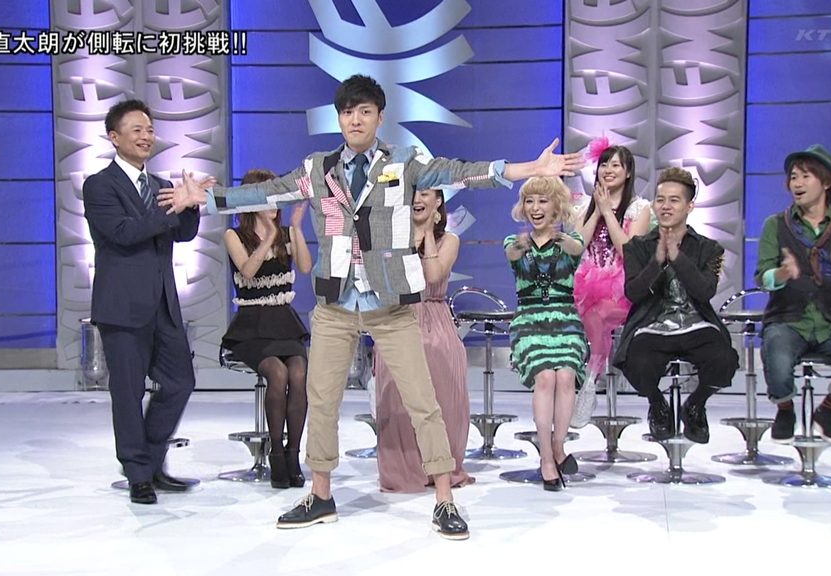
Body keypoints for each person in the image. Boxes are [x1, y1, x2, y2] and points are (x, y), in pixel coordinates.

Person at [159, 74, 585, 539]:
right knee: (322, 401)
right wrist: (207, 199)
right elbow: (268, 191)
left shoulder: (404, 162)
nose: (355, 120)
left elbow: (462, 172)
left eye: (364, 111)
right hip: (335, 304)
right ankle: (321, 494)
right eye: (347, 112)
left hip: (389, 303)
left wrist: (528, 168)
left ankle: (444, 499)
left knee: (423, 402)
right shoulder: (318, 167)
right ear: (338, 119)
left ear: (380, 117)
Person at [82, 99, 203, 504]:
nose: (146, 136)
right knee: (128, 392)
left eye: (149, 129)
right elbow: (123, 232)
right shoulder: (99, 185)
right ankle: (138, 474)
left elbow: (181, 232)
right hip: (121, 306)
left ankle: (150, 461)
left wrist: (190, 206)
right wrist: (173, 210)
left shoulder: (159, 186)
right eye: (137, 129)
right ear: (114, 137)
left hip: (163, 304)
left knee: (181, 382)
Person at [755, 144, 831, 444]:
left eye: (805, 176)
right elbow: (762, 277)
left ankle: (828, 409)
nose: (796, 183)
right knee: (776, 356)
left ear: (826, 182)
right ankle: (785, 409)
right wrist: (782, 274)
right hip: (787, 319)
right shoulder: (775, 224)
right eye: (793, 177)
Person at [612, 167, 738, 443]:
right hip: (652, 326)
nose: (665, 206)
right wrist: (657, 261)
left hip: (697, 325)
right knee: (636, 362)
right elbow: (633, 293)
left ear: (689, 206)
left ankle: (695, 404)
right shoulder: (637, 247)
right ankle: (657, 403)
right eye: (660, 199)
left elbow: (704, 292)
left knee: (724, 360)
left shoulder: (709, 248)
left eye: (674, 200)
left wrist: (677, 257)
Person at [372, 188, 473, 493]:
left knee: (442, 399)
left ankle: (441, 468)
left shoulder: (450, 240)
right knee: (398, 401)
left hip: (435, 321)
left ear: (438, 201)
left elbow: (433, 276)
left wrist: (427, 234)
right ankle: (404, 470)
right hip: (398, 318)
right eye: (412, 193)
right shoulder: (391, 238)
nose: (417, 199)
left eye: (424, 194)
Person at [221, 168, 312, 489]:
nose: (274, 203)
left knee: (299, 374)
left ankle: (293, 454)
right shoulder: (234, 236)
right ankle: (276, 454)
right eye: (267, 196)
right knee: (278, 373)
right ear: (251, 201)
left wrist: (295, 229)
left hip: (284, 323)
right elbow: (247, 271)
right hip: (252, 327)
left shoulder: (286, 233)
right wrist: (270, 237)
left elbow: (305, 267)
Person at [503, 176, 588, 490]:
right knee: (545, 377)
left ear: (556, 206)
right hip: (529, 320)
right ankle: (546, 458)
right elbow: (513, 253)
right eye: (530, 201)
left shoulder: (571, 241)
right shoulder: (514, 242)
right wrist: (525, 242)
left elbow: (577, 247)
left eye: (543, 200)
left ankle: (558, 446)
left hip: (565, 319)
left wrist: (559, 235)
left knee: (565, 376)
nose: (535, 207)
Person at [572, 140, 651, 423]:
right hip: (586, 284)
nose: (608, 170)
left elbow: (628, 252)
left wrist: (608, 212)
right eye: (604, 164)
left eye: (616, 165)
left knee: (598, 315)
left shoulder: (639, 208)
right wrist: (597, 209)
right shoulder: (585, 205)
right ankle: (572, 379)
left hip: (623, 289)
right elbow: (576, 246)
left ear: (628, 172)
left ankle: (590, 380)